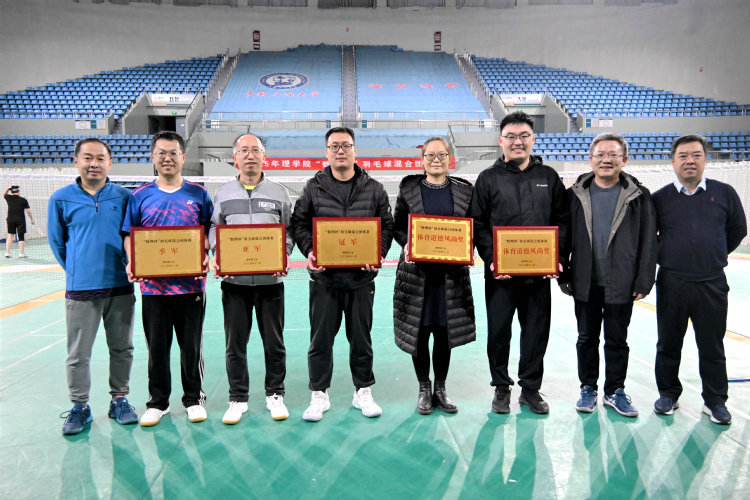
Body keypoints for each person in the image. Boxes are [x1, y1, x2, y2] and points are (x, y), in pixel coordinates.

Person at [468, 111, 569, 415]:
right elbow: (478, 224)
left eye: (524, 136)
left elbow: (563, 220)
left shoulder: (548, 177)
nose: (517, 142)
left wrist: (557, 257)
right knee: (499, 332)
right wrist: (492, 259)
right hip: (501, 276)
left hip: (538, 276)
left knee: (536, 332)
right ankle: (501, 386)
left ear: (532, 139)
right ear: (501, 141)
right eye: (511, 136)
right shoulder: (488, 179)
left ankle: (530, 389)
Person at [290, 127, 394, 422]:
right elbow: (299, 223)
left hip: (361, 280)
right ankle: (319, 393)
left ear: (354, 150)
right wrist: (310, 250)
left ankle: (363, 390)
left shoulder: (374, 188)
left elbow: (386, 225)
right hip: (324, 280)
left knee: (361, 339)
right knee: (320, 340)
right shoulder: (313, 187)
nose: (340, 151)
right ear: (326, 152)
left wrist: (378, 252)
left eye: (345, 145)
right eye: (334, 146)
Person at [559, 133, 657, 418]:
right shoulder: (574, 195)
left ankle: (615, 390)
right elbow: (563, 237)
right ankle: (588, 388)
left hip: (622, 283)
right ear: (591, 159)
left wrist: (644, 280)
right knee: (586, 338)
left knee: (617, 341)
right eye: (600, 154)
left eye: (613, 155)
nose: (606, 160)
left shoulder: (640, 196)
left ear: (624, 160)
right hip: (584, 282)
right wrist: (563, 272)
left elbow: (649, 241)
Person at [652, 134, 747, 425]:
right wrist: (670, 255)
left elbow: (738, 230)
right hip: (672, 282)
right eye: (683, 156)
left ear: (705, 159)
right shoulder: (659, 199)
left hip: (711, 282)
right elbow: (650, 238)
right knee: (668, 343)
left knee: (712, 345)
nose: (690, 161)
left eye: (696, 155)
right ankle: (668, 394)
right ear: (672, 161)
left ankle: (715, 401)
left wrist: (713, 253)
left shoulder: (725, 193)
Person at [122, 131, 213, 427]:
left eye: (173, 153)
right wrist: (133, 261)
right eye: (161, 152)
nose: (167, 158)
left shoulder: (199, 194)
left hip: (191, 287)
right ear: (153, 157)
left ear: (183, 157)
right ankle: (158, 402)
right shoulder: (139, 196)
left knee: (192, 348)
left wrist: (206, 253)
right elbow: (130, 235)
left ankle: (193, 399)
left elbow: (209, 232)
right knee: (157, 349)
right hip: (153, 289)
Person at [48, 138, 137, 435]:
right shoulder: (61, 199)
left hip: (120, 286)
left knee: (122, 348)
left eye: (100, 158)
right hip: (81, 290)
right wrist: (78, 270)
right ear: (77, 162)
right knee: (78, 353)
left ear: (110, 163)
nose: (94, 163)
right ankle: (80, 406)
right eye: (88, 158)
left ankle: (119, 399)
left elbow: (132, 238)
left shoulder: (125, 197)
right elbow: (57, 243)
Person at [209, 133, 294, 424]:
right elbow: (214, 227)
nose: (250, 155)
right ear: (235, 157)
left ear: (264, 157)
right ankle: (237, 397)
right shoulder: (222, 193)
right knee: (235, 345)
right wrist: (219, 252)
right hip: (235, 284)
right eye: (244, 150)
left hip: (271, 283)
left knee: (274, 344)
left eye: (255, 150)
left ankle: (275, 394)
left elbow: (289, 229)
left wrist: (284, 253)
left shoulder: (279, 192)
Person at [392, 136, 476, 415]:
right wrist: (406, 242)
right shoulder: (409, 188)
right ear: (422, 159)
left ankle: (440, 387)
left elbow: (472, 227)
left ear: (451, 159)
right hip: (417, 277)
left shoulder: (465, 191)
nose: (436, 159)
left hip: (450, 278)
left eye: (442, 155)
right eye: (430, 155)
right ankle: (424, 388)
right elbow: (398, 225)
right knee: (419, 332)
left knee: (443, 332)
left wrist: (469, 246)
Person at [4, 185, 34, 258]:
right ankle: (21, 253)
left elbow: (4, 194)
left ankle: (7, 252)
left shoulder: (9, 198)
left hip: (10, 220)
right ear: (18, 191)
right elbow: (28, 211)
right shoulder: (23, 200)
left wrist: (8, 188)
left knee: (10, 235)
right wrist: (31, 219)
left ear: (11, 192)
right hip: (20, 220)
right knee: (21, 236)